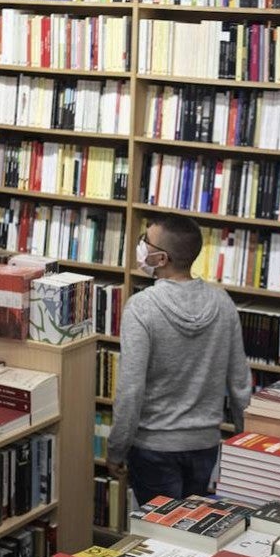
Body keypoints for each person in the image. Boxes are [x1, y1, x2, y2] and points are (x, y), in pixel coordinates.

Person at [106, 214, 252, 506]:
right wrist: (242, 441)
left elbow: (130, 390)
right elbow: (239, 381)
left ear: (161, 258)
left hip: (153, 447)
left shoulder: (142, 308)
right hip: (206, 445)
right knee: (196, 540)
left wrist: (116, 449)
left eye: (145, 242)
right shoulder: (222, 302)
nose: (140, 246)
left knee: (157, 540)